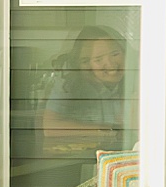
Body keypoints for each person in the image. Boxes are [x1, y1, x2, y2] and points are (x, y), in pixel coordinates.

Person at [42, 25, 135, 153]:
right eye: (98, 59)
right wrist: (110, 130)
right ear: (84, 64)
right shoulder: (68, 82)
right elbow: (50, 127)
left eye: (115, 54)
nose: (111, 64)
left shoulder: (138, 80)